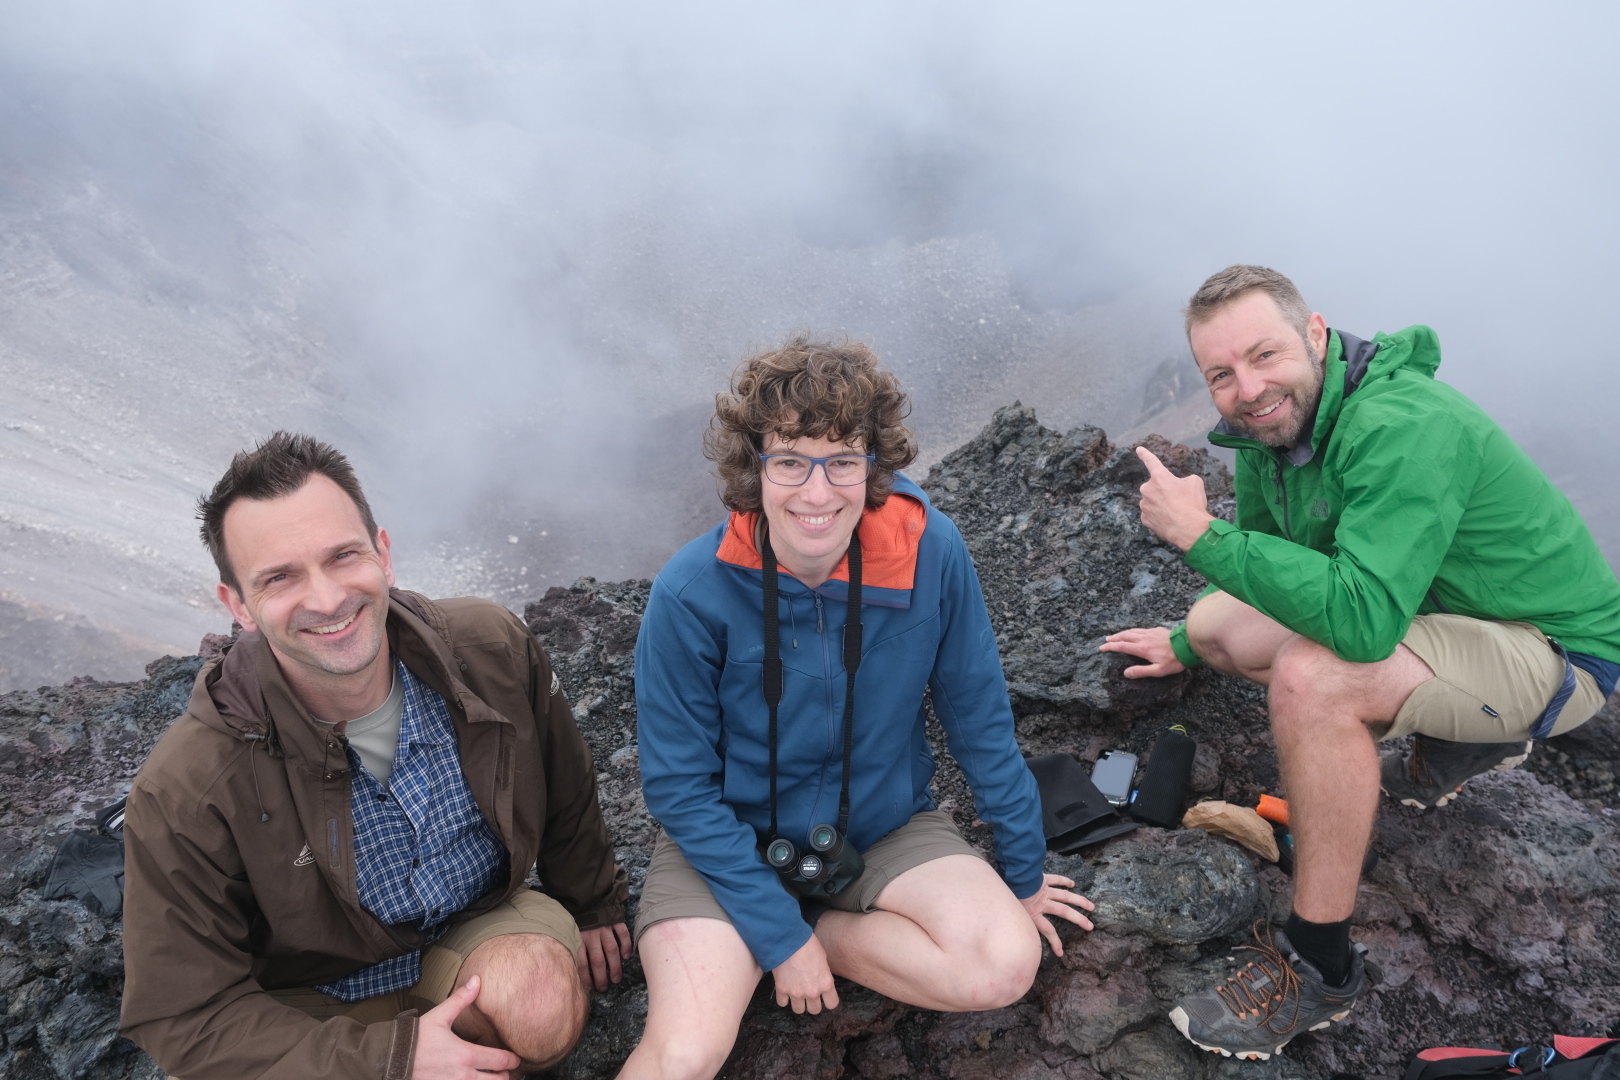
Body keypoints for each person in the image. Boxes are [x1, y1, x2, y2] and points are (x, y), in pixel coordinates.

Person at [1102, 266, 1620, 1061]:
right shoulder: (1277, 429)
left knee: (1316, 679)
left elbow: (1363, 623)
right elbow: (1284, 567)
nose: (1248, 388)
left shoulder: (1400, 423)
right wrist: (1182, 642)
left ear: (1315, 335)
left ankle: (1320, 963)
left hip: (1552, 651)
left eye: (1264, 355)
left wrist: (1200, 537)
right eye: (1222, 375)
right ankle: (1462, 738)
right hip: (1446, 617)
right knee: (1218, 628)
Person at [620, 339, 1094, 1079]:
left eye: (843, 460)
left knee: (1004, 963)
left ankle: (833, 932)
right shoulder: (690, 592)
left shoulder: (929, 552)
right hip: (725, 846)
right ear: (755, 468)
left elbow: (980, 723)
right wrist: (778, 937)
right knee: (684, 1054)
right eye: (790, 462)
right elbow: (679, 790)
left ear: (874, 464)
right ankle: (764, 940)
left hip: (881, 829)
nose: (818, 493)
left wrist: (1026, 876)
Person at [119, 433, 632, 1080]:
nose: (328, 598)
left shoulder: (490, 648)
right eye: (280, 577)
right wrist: (391, 1060)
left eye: (343, 556)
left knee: (538, 1005)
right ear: (238, 606)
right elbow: (186, 1016)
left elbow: (563, 777)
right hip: (310, 1002)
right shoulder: (188, 786)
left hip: (471, 923)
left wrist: (592, 903)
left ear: (383, 554)